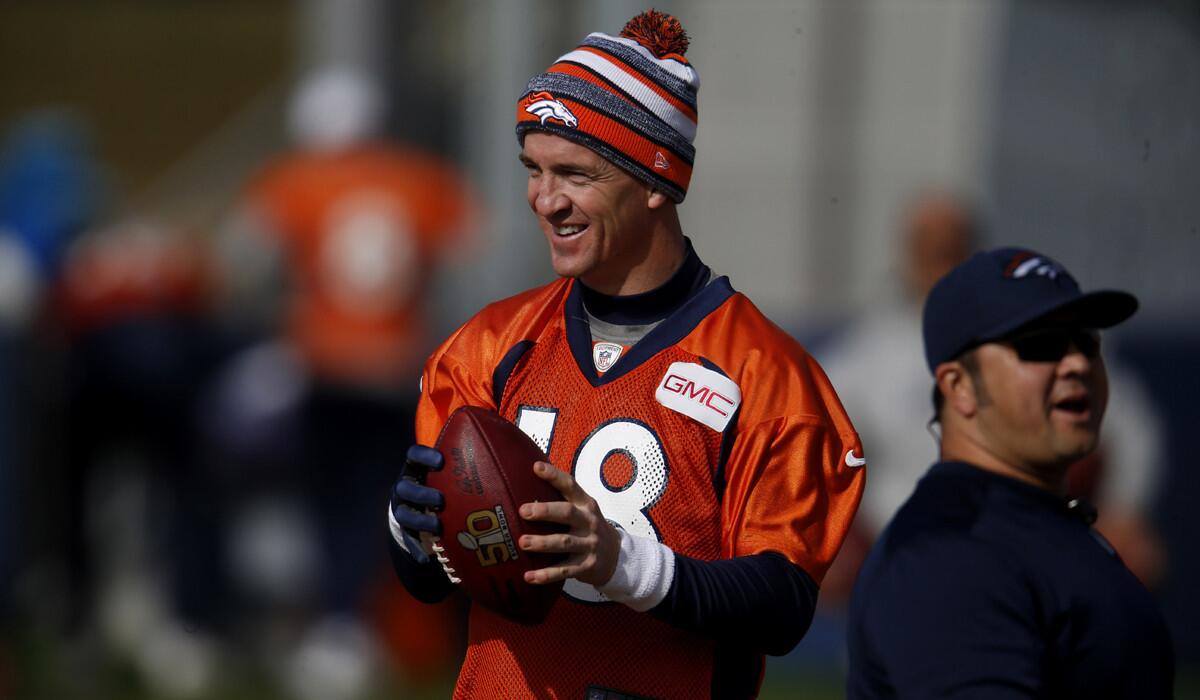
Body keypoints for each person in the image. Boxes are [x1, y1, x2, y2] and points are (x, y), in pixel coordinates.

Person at [387, 10, 865, 699]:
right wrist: (412, 534)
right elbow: (430, 583)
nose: (545, 200)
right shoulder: (488, 347)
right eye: (533, 170)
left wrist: (617, 561)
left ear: (655, 181)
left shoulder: (767, 374)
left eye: (574, 174)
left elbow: (781, 606)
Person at [846, 247, 1174, 697]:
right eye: (1040, 345)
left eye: (1087, 342)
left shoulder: (1038, 528)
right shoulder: (948, 556)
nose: (1078, 363)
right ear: (959, 387)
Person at [820, 192, 1167, 594]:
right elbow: (818, 450)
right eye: (929, 245)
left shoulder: (1025, 332)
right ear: (956, 385)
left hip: (1033, 532)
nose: (1073, 362)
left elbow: (1134, 429)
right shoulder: (867, 352)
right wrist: (832, 528)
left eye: (952, 244)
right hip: (910, 545)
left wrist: (1123, 509)